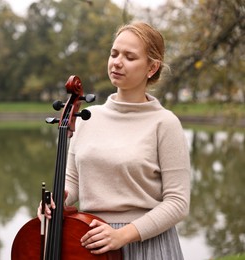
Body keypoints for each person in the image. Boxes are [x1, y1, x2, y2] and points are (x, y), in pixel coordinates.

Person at [37, 21, 190, 259]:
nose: (117, 61)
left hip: (145, 244)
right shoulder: (88, 117)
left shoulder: (165, 124)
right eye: (114, 53)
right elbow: (72, 180)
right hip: (90, 243)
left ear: (152, 68)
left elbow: (178, 202)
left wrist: (123, 235)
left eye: (129, 57)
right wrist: (55, 201)